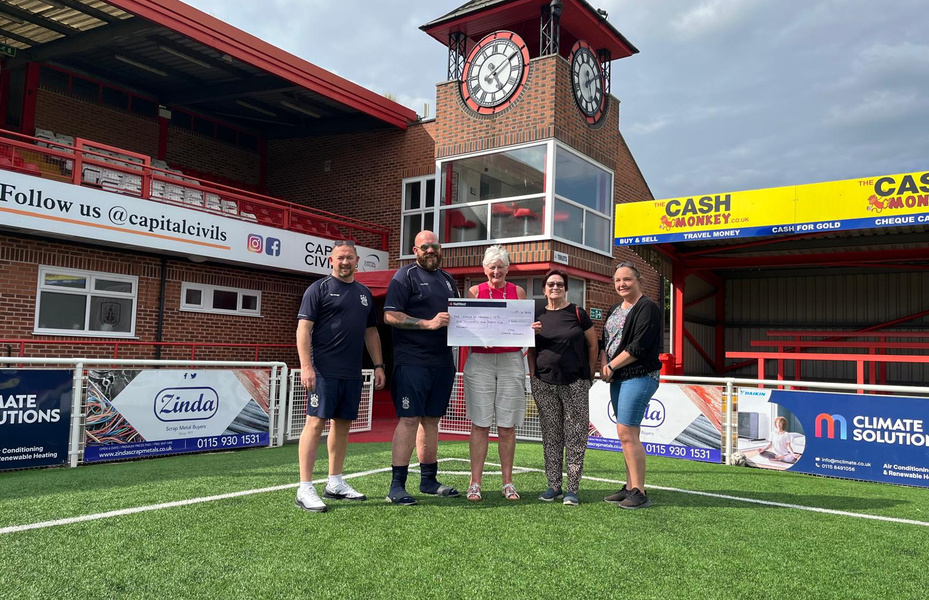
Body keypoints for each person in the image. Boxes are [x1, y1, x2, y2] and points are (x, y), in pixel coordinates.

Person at [295, 240, 387, 513]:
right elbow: (303, 329)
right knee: (315, 423)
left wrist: (379, 364)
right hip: (323, 370)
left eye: (349, 258)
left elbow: (371, 332)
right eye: (340, 258)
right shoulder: (318, 289)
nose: (345, 262)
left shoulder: (364, 293)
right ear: (331, 261)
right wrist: (306, 366)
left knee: (344, 424)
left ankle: (334, 482)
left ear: (357, 260)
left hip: (351, 372)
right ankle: (305, 487)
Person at [383, 230, 460, 505]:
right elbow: (390, 315)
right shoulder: (404, 276)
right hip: (413, 361)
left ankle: (428, 480)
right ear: (415, 250)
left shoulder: (449, 280)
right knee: (409, 419)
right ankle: (397, 486)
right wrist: (426, 323)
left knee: (431, 421)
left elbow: (461, 318)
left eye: (435, 246)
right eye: (424, 246)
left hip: (442, 361)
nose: (430, 250)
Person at [463, 245, 536, 502]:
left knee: (507, 426)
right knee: (480, 423)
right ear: (484, 269)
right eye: (492, 266)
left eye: (501, 266)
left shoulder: (518, 291)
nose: (496, 271)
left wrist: (530, 328)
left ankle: (508, 482)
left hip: (511, 359)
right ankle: (475, 483)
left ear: (507, 268)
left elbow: (523, 325)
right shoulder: (473, 292)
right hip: (480, 360)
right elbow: (466, 325)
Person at [527, 269, 598, 506]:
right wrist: (533, 375)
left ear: (565, 288)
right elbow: (531, 348)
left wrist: (588, 374)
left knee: (576, 435)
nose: (554, 287)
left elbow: (592, 344)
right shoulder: (538, 317)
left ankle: (573, 489)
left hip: (575, 383)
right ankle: (554, 486)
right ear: (544, 289)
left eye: (559, 284)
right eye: (550, 284)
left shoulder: (578, 313)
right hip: (544, 383)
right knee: (551, 435)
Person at [601, 262, 663, 510]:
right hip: (618, 376)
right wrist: (604, 363)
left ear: (639, 281)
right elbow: (607, 340)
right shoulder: (615, 308)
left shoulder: (648, 307)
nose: (621, 284)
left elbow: (638, 347)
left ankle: (639, 491)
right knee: (627, 434)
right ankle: (629, 487)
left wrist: (611, 366)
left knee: (627, 432)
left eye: (627, 279)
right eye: (617, 280)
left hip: (639, 375)